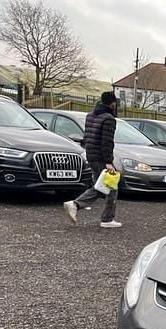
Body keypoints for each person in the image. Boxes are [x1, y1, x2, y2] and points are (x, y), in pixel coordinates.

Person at [63, 91, 122, 228]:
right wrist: (108, 161)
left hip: (91, 154)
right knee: (110, 186)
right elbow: (107, 141)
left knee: (101, 185)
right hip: (101, 157)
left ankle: (77, 205)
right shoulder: (109, 119)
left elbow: (87, 137)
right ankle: (104, 218)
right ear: (113, 103)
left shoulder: (90, 116)